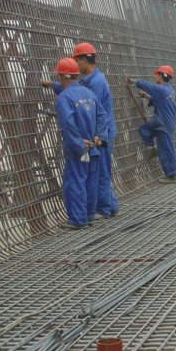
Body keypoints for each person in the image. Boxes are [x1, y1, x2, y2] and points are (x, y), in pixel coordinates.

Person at [41, 42, 119, 219]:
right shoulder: (89, 82)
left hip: (97, 137)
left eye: (77, 60)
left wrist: (82, 141)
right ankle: (108, 207)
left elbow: (86, 110)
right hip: (96, 135)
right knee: (97, 173)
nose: (76, 64)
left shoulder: (96, 83)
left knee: (98, 174)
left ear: (84, 59)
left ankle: (104, 209)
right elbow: (77, 91)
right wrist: (54, 85)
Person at [51, 58, 107, 230]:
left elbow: (68, 124)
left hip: (79, 151)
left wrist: (78, 143)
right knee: (90, 182)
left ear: (62, 76)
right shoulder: (89, 93)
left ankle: (77, 219)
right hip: (94, 148)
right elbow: (102, 115)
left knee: (75, 182)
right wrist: (99, 136)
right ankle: (89, 216)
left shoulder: (64, 97)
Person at [128, 65, 176, 183]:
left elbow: (147, 85)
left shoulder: (161, 89)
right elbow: (160, 99)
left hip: (163, 123)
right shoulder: (169, 90)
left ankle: (171, 175)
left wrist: (134, 81)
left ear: (161, 76)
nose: (156, 77)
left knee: (166, 149)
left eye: (157, 74)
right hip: (164, 122)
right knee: (145, 129)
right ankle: (153, 148)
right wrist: (148, 97)